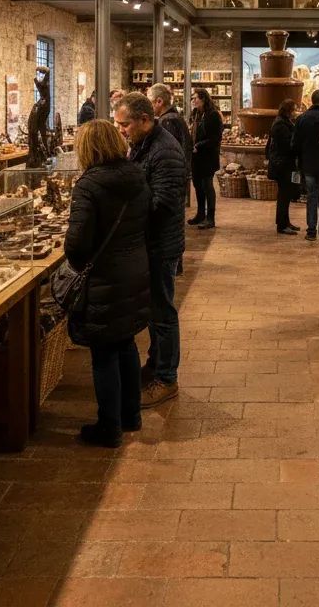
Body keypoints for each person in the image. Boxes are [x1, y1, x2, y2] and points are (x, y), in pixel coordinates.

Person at [64, 120, 150, 448]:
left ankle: (109, 426)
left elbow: (77, 243)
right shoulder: (136, 175)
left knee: (103, 353)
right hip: (132, 270)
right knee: (126, 343)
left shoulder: (89, 185)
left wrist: (75, 260)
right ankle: (131, 415)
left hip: (103, 278)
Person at [114, 93, 187, 407]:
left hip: (161, 243)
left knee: (163, 312)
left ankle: (167, 378)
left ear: (145, 119)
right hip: (150, 242)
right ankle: (156, 364)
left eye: (125, 124)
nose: (122, 130)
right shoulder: (145, 144)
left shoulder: (165, 151)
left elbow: (164, 203)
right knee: (155, 311)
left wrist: (128, 211)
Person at [149, 82, 193, 272]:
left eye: (150, 102)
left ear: (159, 101)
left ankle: (175, 264)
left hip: (171, 180)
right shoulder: (176, 118)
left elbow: (168, 154)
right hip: (178, 178)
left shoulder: (167, 122)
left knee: (170, 223)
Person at [292, 89, 319, 240]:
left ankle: (311, 231)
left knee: (311, 197)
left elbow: (295, 142)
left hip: (308, 164)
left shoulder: (302, 118)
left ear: (311, 101)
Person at [188, 88, 222, 229]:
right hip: (196, 157)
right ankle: (200, 214)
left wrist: (199, 145)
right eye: (193, 98)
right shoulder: (196, 114)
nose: (193, 101)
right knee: (197, 186)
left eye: (195, 98)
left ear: (203, 99)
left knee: (207, 186)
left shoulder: (213, 115)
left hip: (207, 156)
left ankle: (210, 218)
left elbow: (215, 138)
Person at [267, 99, 300, 235]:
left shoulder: (283, 122)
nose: (295, 112)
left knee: (285, 195)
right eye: (294, 109)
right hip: (283, 165)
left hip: (283, 164)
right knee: (283, 196)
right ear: (288, 110)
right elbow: (286, 146)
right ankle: (282, 225)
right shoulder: (281, 125)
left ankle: (285, 222)